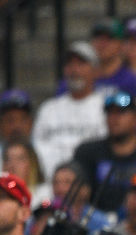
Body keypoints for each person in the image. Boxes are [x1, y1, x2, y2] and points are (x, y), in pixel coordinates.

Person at [73, 92, 136, 215]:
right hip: (96, 220)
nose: (114, 119)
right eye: (110, 113)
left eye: (121, 113)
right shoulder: (87, 152)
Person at [31, 42, 108, 178]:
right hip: (51, 182)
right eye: (69, 64)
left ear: (96, 70)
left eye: (81, 64)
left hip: (89, 181)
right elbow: (36, 148)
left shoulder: (105, 106)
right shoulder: (48, 109)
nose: (74, 70)